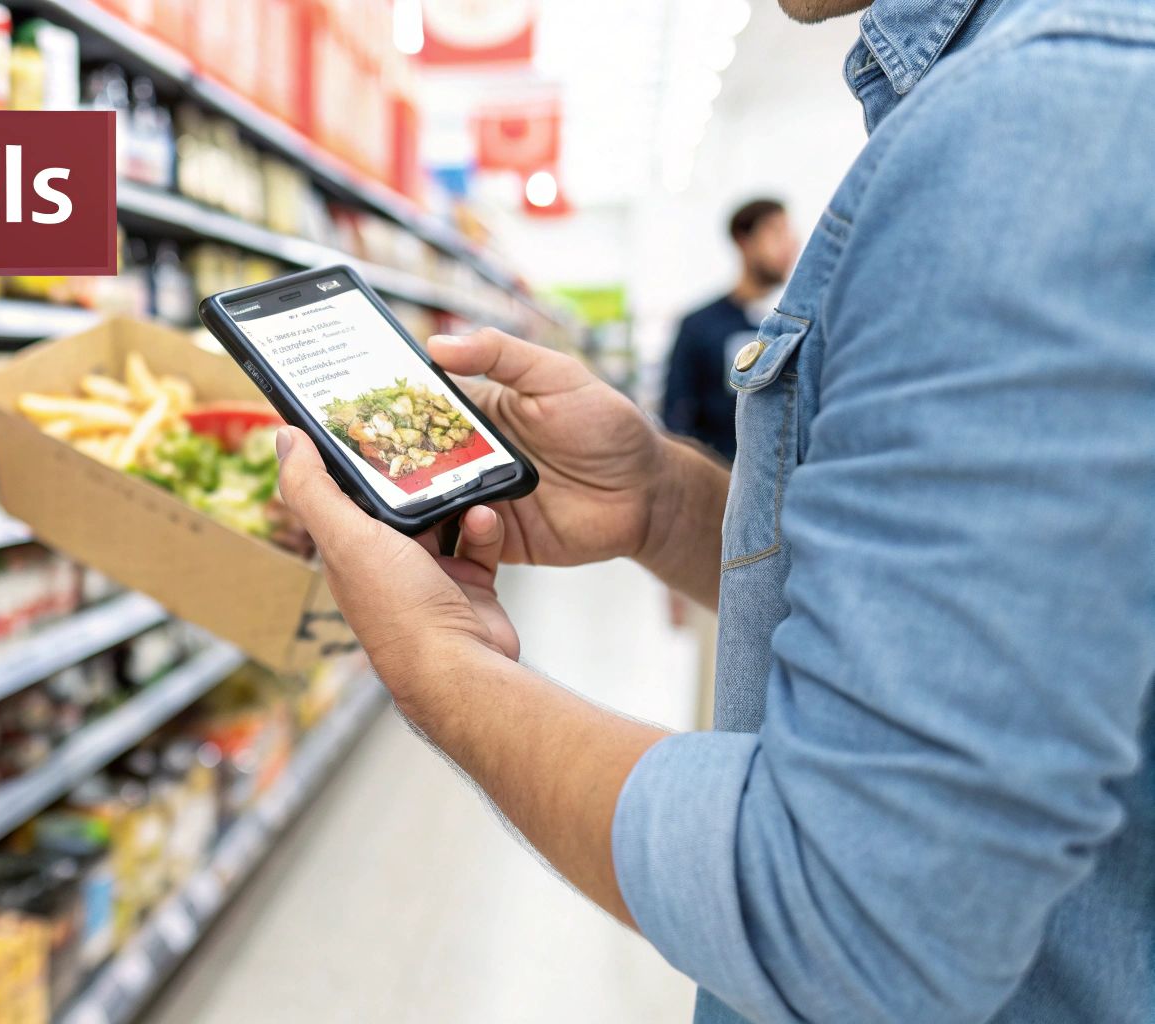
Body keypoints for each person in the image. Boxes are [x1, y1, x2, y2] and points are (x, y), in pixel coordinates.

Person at [271, 0, 1155, 1021]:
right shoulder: (1027, 102)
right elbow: (1025, 611)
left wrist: (438, 667)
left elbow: (849, 918)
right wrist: (663, 503)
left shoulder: (1043, 115)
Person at [661, 199, 798, 463]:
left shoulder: (796, 325)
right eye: (775, 232)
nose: (789, 244)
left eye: (789, 233)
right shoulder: (699, 326)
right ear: (743, 240)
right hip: (718, 474)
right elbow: (677, 419)